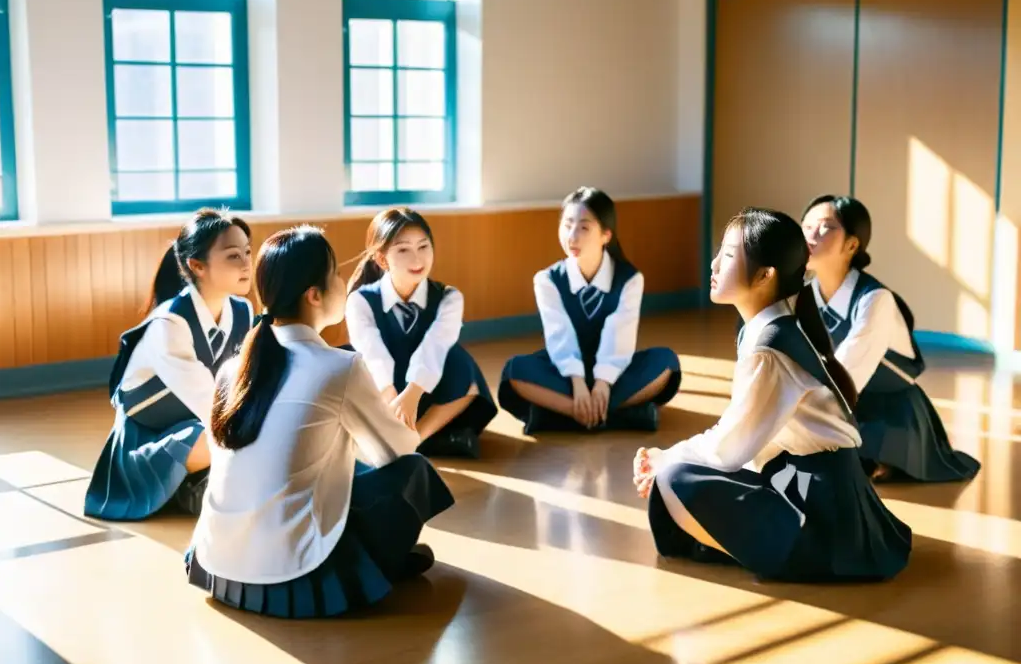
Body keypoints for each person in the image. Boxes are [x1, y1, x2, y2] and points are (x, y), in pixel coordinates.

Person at [185, 225, 455, 618]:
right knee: (414, 471)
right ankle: (376, 564)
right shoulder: (339, 366)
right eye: (336, 274)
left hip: (217, 565)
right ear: (314, 295)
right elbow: (399, 449)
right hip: (291, 572)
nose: (344, 282)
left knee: (336, 471)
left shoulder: (232, 369)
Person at [634, 207, 912, 582]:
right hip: (803, 480)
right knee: (676, 480)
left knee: (675, 480)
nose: (714, 264)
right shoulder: (768, 328)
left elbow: (729, 447)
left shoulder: (770, 346)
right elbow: (744, 438)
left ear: (766, 275)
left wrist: (665, 458)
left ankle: (779, 555)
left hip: (822, 507)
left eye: (729, 256)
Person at [84, 208, 254, 521]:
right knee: (223, 440)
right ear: (197, 265)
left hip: (198, 424)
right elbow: (213, 406)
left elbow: (241, 386)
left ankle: (201, 484)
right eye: (233, 256)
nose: (246, 264)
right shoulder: (170, 323)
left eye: (247, 252)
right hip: (148, 440)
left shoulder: (242, 311)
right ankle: (187, 487)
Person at [801, 194, 980, 482]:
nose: (811, 235)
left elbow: (847, 372)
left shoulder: (875, 299)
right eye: (806, 226)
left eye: (824, 227)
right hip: (847, 402)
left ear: (852, 244)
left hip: (891, 410)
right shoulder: (804, 296)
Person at [499, 186, 681, 433]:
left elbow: (620, 335)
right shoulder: (547, 279)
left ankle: (559, 416)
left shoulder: (629, 279)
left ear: (606, 234)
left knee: (666, 361)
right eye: (567, 225)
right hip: (564, 371)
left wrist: (603, 383)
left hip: (614, 372)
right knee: (514, 371)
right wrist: (578, 382)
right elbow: (559, 335)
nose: (572, 237)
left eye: (584, 227)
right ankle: (620, 416)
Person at [345, 208, 496, 459]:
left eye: (424, 247)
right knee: (350, 363)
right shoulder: (360, 300)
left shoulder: (449, 297)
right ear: (382, 260)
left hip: (429, 394)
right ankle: (404, 437)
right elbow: (372, 354)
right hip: (385, 397)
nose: (417, 259)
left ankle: (412, 442)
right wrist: (392, 399)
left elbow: (435, 346)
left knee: (460, 361)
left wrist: (412, 395)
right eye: (403, 250)